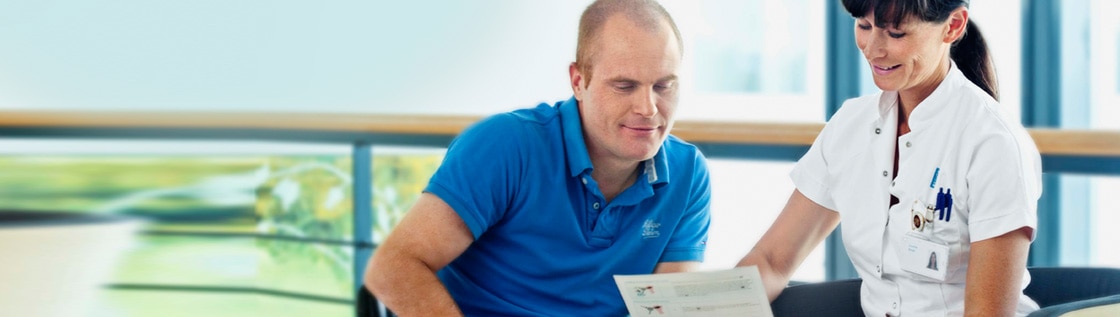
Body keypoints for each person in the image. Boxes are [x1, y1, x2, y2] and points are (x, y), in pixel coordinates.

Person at [363, 0, 711, 315]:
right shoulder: (506, 145)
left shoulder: (688, 173)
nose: (648, 108)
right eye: (624, 86)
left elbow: (667, 308)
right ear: (578, 81)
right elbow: (393, 267)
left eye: (664, 86)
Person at [737, 0, 1042, 316]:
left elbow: (987, 313)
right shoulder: (850, 126)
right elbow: (772, 260)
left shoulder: (993, 142)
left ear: (953, 26)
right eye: (864, 27)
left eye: (896, 34)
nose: (872, 49)